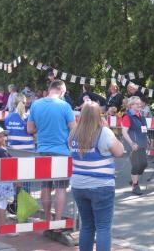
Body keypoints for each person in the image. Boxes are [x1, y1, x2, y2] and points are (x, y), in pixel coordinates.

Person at [69, 102, 124, 251]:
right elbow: (119, 151)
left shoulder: (73, 132)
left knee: (86, 226)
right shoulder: (103, 132)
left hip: (78, 185)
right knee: (103, 227)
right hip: (101, 185)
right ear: (98, 115)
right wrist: (106, 128)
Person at [27, 80, 75, 222]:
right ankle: (58, 221)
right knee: (61, 188)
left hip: (43, 150)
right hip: (62, 151)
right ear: (61, 91)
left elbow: (30, 129)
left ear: (50, 89)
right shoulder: (65, 106)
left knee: (45, 186)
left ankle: (47, 219)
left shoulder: (36, 105)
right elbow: (74, 128)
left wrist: (41, 129)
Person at [121, 96, 149, 195]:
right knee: (137, 165)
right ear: (131, 105)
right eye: (137, 104)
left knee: (144, 164)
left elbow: (144, 130)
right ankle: (135, 185)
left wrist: (147, 139)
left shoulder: (141, 116)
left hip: (142, 145)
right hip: (133, 146)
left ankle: (133, 179)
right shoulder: (127, 116)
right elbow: (124, 132)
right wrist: (131, 143)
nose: (139, 105)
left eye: (140, 103)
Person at [0, 127, 15, 227]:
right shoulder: (1, 151)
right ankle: (3, 227)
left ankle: (1, 224)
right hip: (3, 180)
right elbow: (10, 164)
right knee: (2, 203)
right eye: (0, 136)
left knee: (0, 203)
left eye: (4, 136)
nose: (3, 138)